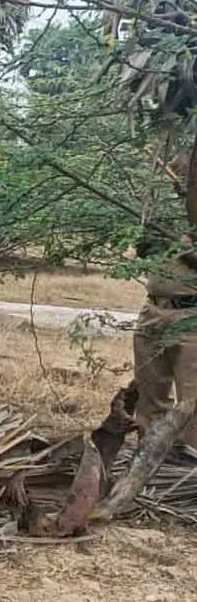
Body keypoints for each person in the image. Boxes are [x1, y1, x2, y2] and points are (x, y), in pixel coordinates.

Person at [134, 149, 197, 448]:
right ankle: (147, 462)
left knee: (192, 402)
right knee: (149, 395)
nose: (177, 181)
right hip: (153, 310)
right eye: (175, 175)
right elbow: (144, 251)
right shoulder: (169, 214)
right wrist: (149, 230)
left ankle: (187, 471)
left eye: (184, 176)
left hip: (191, 317)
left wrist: (180, 245)